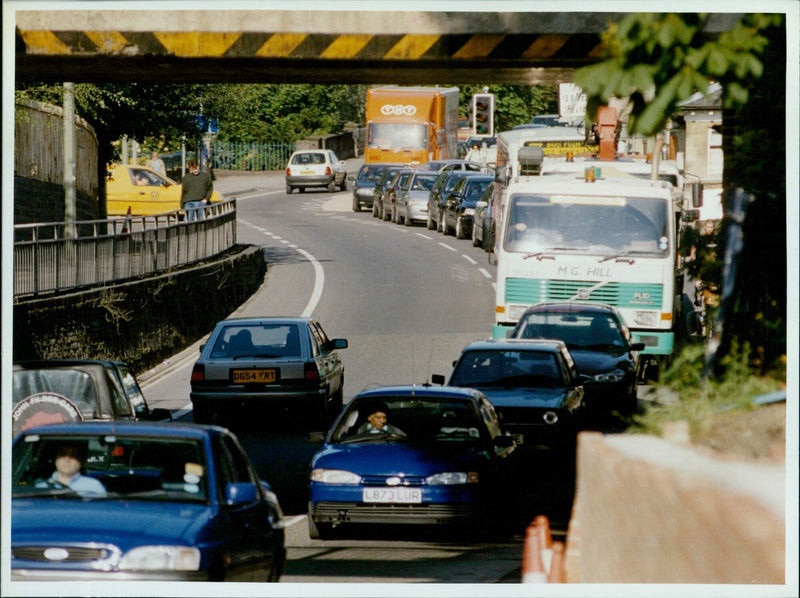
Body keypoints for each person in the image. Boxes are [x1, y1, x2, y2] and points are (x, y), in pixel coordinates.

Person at [36, 443, 107, 497]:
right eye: (63, 454)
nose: (67, 459)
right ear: (55, 459)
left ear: (81, 461)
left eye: (73, 455)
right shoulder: (40, 487)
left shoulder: (94, 486)